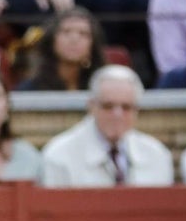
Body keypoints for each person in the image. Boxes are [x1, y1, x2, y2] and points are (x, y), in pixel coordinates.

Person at [41, 65, 174, 187]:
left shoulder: (158, 155)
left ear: (136, 111)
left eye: (126, 107)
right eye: (108, 106)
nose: (117, 115)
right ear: (91, 107)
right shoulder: (58, 156)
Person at [16, 7, 107, 91]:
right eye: (66, 32)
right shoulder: (30, 89)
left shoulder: (103, 87)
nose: (74, 39)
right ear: (52, 40)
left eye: (83, 33)